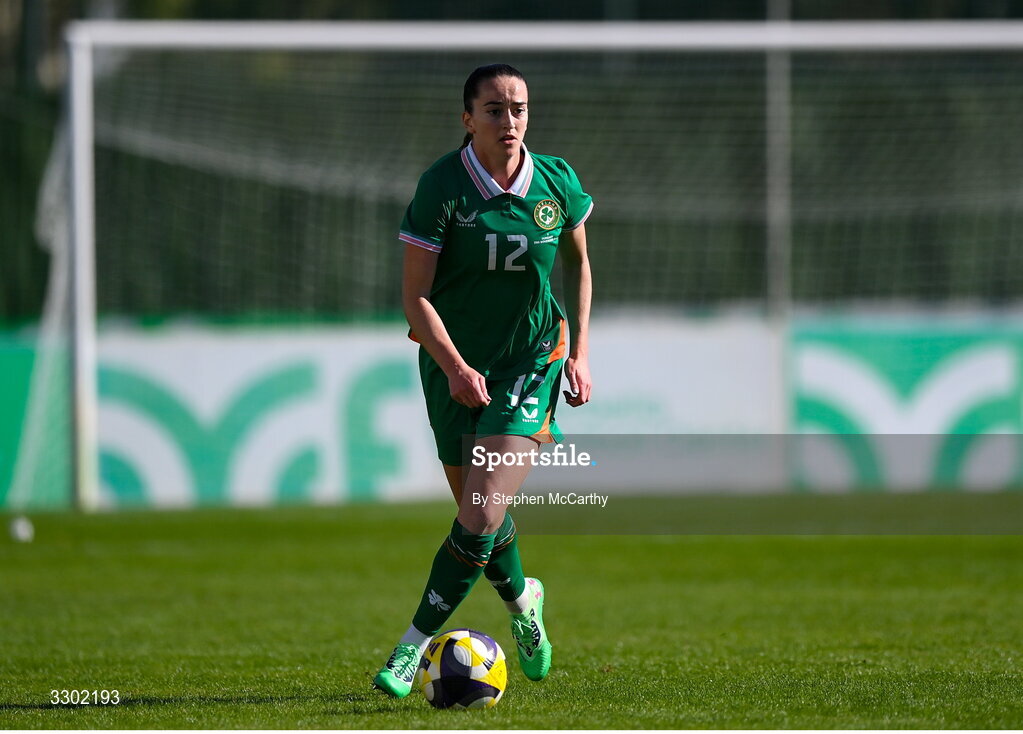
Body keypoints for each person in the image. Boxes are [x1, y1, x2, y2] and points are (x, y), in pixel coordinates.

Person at [373, 63, 594, 698]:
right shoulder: (442, 187)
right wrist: (457, 368)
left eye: (519, 108)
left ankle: (410, 650)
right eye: (494, 110)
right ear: (467, 119)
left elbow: (580, 267)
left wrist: (578, 351)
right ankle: (525, 602)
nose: (510, 121)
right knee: (481, 515)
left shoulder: (556, 181)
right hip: (452, 365)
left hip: (531, 360)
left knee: (479, 510)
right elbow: (415, 298)